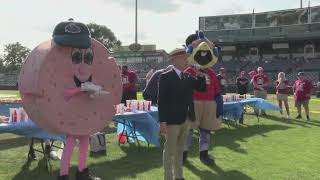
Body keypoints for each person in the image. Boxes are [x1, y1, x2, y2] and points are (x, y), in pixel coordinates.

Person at [158, 48, 206, 180]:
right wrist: (162, 122)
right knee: (169, 151)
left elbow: (201, 88)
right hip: (172, 120)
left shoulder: (188, 76)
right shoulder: (165, 76)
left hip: (186, 119)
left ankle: (179, 176)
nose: (187, 61)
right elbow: (162, 101)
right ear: (175, 59)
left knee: (180, 150)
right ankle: (168, 177)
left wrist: (200, 74)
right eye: (184, 58)